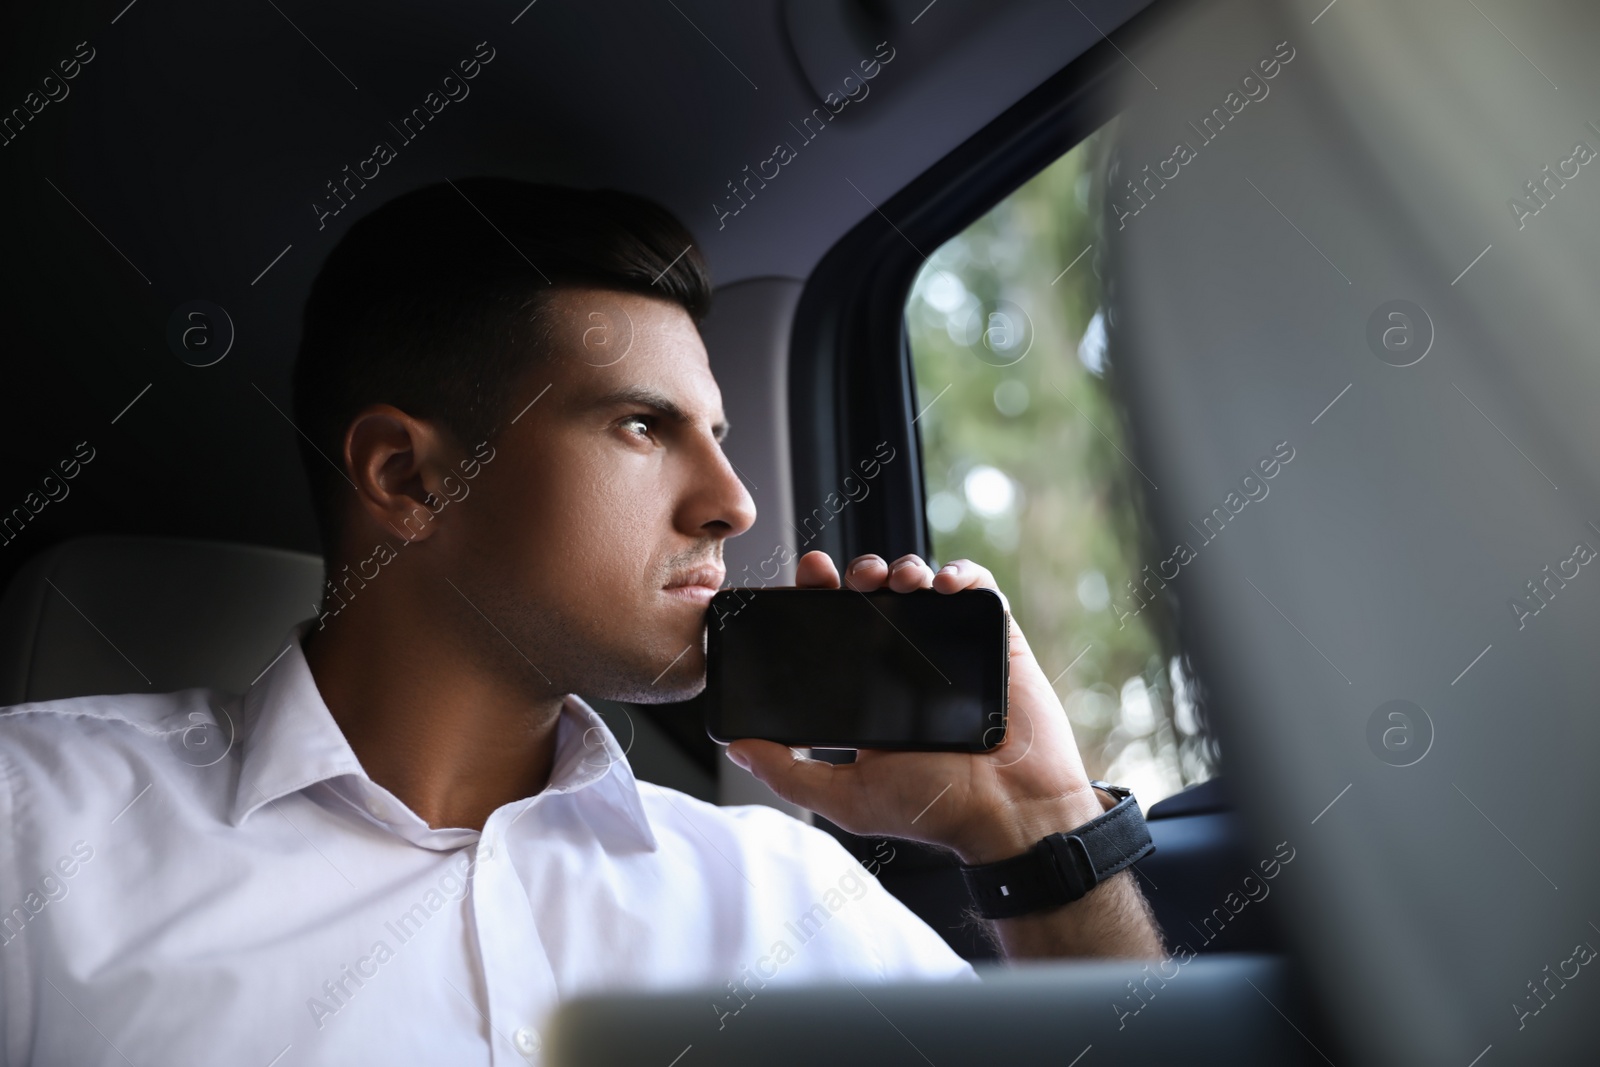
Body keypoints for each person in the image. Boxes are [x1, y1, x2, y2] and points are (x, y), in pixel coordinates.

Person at [0, 179, 1161, 1065]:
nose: (734, 501)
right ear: (409, 477)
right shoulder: (33, 826)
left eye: (718, 431)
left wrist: (1036, 827)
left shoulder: (780, 892)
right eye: (643, 427)